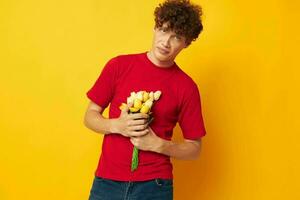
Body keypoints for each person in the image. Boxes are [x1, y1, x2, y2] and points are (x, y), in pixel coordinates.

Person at [84, 0, 206, 199]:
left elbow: (194, 148)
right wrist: (117, 125)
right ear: (155, 27)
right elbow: (90, 116)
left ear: (186, 43)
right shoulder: (119, 66)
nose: (166, 42)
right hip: (107, 181)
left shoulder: (187, 87)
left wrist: (157, 144)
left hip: (154, 186)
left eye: (176, 37)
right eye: (164, 30)